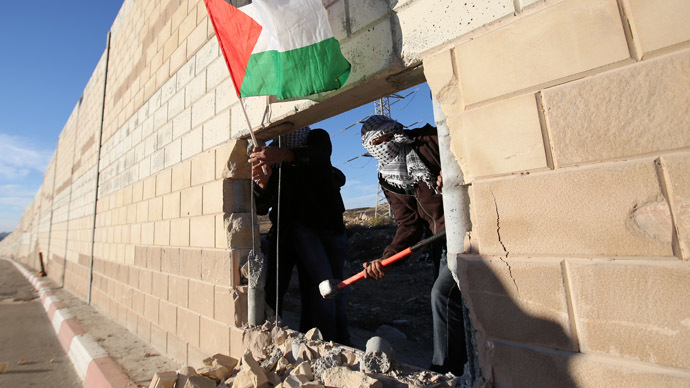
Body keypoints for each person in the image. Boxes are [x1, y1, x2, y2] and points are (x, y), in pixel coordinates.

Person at [360, 115, 466, 375]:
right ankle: (465, 367)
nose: (379, 147)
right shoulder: (388, 177)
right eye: (372, 144)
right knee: (455, 305)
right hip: (439, 241)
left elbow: (465, 152)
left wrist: (451, 170)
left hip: (467, 230)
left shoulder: (427, 140)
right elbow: (408, 225)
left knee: (442, 295)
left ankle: (444, 371)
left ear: (392, 131)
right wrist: (387, 260)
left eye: (380, 139)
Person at [249, 127, 351, 344]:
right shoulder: (272, 156)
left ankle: (329, 342)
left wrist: (285, 155)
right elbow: (261, 207)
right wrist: (263, 184)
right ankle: (269, 340)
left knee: (325, 288)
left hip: (325, 230)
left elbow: (318, 156)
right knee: (275, 290)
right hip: (286, 233)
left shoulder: (316, 139)